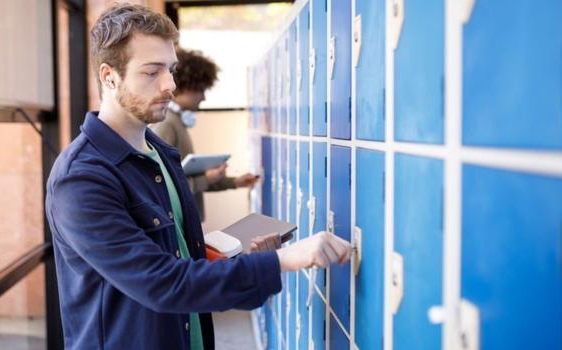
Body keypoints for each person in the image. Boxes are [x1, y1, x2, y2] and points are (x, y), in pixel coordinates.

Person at [45, 3, 353, 349]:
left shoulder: (159, 153)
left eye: (171, 69)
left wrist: (248, 261)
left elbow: (180, 260)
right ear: (109, 76)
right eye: (151, 72)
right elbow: (162, 283)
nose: (169, 85)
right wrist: (285, 260)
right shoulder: (81, 179)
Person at [150, 48, 257, 221]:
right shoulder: (167, 124)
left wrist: (234, 182)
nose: (203, 98)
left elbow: (188, 177)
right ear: (185, 86)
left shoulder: (177, 121)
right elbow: (161, 184)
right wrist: (205, 179)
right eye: (201, 90)